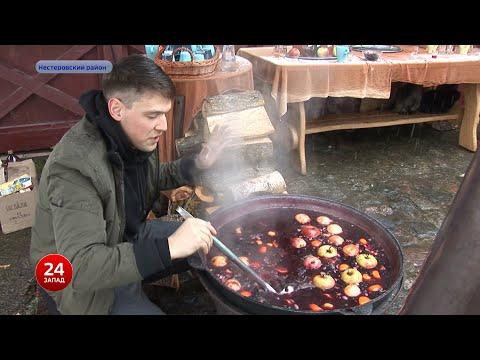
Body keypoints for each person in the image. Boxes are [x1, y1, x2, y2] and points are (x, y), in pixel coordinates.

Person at [30, 54, 230, 315]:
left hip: (123, 237)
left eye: (165, 114)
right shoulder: (74, 168)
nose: (164, 125)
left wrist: (199, 164)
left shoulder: (132, 136)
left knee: (210, 239)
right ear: (116, 109)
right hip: (81, 284)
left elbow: (150, 179)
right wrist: (169, 248)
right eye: (153, 115)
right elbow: (81, 268)